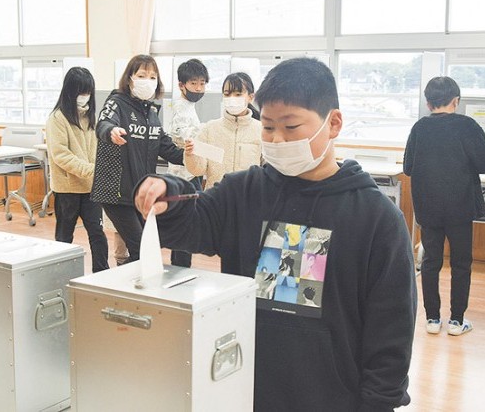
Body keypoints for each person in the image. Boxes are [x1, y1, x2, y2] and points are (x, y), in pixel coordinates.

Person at [135, 57, 416, 411]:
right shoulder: (243, 192)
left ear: (333, 123)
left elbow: (391, 329)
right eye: (268, 127)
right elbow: (192, 223)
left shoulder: (376, 218)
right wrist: (168, 195)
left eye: (291, 126)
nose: (277, 139)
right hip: (244, 389)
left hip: (333, 398)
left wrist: (378, 403)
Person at [404, 76, 485, 336]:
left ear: (428, 103)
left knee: (431, 261)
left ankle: (432, 319)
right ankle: (456, 321)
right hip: (460, 207)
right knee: (461, 263)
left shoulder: (419, 128)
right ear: (456, 101)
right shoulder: (467, 126)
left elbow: (408, 167)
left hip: (428, 207)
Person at [91, 54, 183, 263]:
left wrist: (192, 156)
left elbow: (167, 148)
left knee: (146, 247)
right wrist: (111, 131)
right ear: (130, 78)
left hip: (139, 192)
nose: (147, 81)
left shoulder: (151, 113)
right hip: (115, 193)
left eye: (152, 77)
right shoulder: (116, 102)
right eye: (142, 75)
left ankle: (132, 280)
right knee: (141, 246)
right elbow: (103, 124)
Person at [45, 66, 109, 273]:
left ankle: (102, 273)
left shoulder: (91, 117)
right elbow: (61, 155)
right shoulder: (57, 119)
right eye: (81, 92)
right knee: (64, 236)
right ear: (70, 91)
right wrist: (91, 170)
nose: (85, 96)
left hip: (91, 188)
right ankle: (60, 274)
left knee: (97, 233)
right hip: (67, 189)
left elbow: (98, 149)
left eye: (88, 92)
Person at [183, 72, 262, 189]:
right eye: (227, 94)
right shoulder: (210, 129)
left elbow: (269, 170)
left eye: (238, 94)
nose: (232, 98)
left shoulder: (261, 130)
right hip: (215, 196)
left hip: (249, 197)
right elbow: (198, 170)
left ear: (251, 97)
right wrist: (190, 155)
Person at [166, 58, 209, 267]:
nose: (198, 88)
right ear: (181, 85)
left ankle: (180, 267)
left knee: (185, 225)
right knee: (186, 225)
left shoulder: (189, 106)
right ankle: (180, 268)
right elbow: (188, 140)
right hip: (183, 176)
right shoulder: (181, 108)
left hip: (189, 173)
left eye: (202, 83)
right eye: (194, 83)